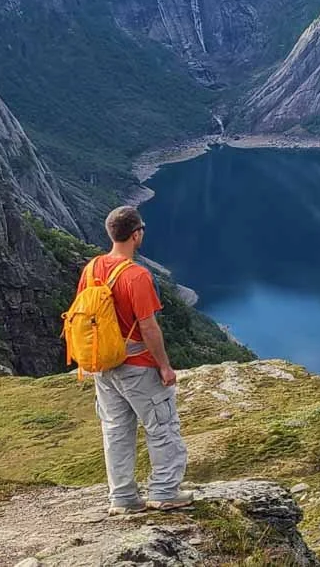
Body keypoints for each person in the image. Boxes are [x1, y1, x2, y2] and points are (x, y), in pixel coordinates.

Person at [77, 205, 191, 515]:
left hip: (104, 365)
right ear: (136, 234)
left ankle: (123, 497)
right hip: (138, 366)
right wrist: (164, 366)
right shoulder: (136, 275)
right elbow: (149, 327)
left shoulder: (92, 268)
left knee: (115, 430)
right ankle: (165, 491)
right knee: (161, 426)